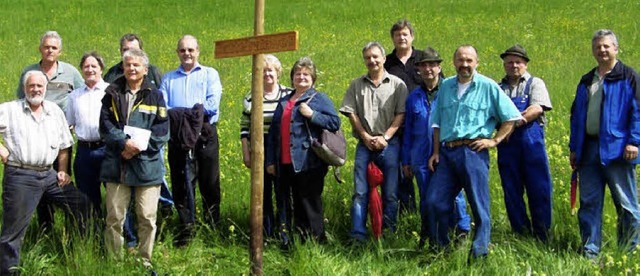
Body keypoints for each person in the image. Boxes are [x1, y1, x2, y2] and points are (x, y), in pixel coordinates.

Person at [425, 45, 521, 259]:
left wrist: (494, 140)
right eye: (460, 60)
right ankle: (441, 250)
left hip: (473, 152)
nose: (464, 65)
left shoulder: (488, 86)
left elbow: (511, 117)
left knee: (479, 205)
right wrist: (435, 152)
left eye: (469, 60)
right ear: (453, 63)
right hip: (447, 153)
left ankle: (479, 253)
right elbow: (437, 123)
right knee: (434, 201)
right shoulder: (446, 87)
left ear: (476, 62)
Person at [0, 71, 89, 275]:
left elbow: (65, 145)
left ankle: (78, 252)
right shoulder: (10, 110)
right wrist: (1, 149)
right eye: (31, 86)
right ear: (24, 88)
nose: (36, 89)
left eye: (40, 86)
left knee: (82, 205)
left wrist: (63, 171)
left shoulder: (54, 111)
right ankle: (8, 271)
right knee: (13, 231)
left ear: (45, 88)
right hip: (21, 176)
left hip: (49, 175)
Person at [569, 29, 640, 259]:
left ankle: (628, 252)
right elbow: (576, 115)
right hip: (588, 150)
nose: (602, 50)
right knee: (589, 203)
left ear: (616, 49)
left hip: (618, 150)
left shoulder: (628, 76)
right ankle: (590, 251)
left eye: (606, 46)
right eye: (598, 47)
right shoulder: (586, 79)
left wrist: (634, 142)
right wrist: (573, 148)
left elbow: (638, 112)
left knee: (626, 205)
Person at [104, 33, 173, 251]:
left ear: (145, 69)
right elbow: (105, 126)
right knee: (114, 217)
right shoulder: (111, 93)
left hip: (147, 165)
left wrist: (136, 149)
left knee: (146, 216)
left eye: (136, 65)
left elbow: (162, 131)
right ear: (122, 67)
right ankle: (114, 261)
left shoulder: (156, 96)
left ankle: (145, 258)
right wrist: (124, 144)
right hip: (117, 164)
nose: (131, 68)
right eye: (127, 65)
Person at [266, 56, 341, 242]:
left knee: (309, 203)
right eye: (298, 74)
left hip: (309, 162)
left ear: (313, 78)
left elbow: (334, 122)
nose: (301, 77)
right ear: (292, 78)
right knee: (290, 204)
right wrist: (269, 161)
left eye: (306, 74)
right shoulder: (284, 101)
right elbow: (274, 133)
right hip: (283, 161)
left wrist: (313, 115)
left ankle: (316, 243)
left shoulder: (318, 98)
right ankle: (296, 241)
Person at [16, 30, 84, 234]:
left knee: (62, 181)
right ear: (40, 49)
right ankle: (46, 227)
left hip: (61, 140)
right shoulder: (30, 72)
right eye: (46, 46)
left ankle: (71, 228)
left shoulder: (71, 72)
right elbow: (20, 102)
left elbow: (82, 96)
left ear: (60, 51)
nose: (50, 50)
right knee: (39, 186)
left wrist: (75, 122)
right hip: (35, 140)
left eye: (54, 47)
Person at [401, 47, 470, 247]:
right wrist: (406, 160)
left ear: (439, 67)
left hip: (447, 152)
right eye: (424, 66)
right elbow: (408, 131)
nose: (428, 69)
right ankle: (431, 233)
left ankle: (461, 231)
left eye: (432, 65)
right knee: (427, 196)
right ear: (418, 70)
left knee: (455, 195)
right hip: (420, 155)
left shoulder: (451, 90)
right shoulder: (414, 96)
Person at [340, 42, 408, 242]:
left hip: (390, 144)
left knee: (391, 193)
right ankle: (358, 234)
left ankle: (388, 233)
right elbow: (351, 113)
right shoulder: (356, 85)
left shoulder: (397, 85)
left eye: (375, 57)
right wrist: (366, 137)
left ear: (384, 58)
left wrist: (385, 137)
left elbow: (401, 114)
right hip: (364, 144)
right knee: (359, 192)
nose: (372, 61)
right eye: (368, 58)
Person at [160, 35, 223, 247]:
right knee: (181, 183)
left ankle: (213, 229)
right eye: (182, 50)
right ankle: (187, 229)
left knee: (209, 182)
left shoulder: (210, 74)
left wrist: (183, 114)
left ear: (198, 51)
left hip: (204, 134)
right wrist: (192, 112)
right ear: (177, 52)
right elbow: (163, 108)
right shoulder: (168, 79)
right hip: (178, 136)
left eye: (190, 50)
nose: (187, 54)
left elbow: (213, 104)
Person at [497, 44, 553, 241]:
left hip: (531, 146)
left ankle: (543, 235)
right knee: (511, 191)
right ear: (504, 64)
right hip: (507, 148)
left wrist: (511, 124)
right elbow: (493, 114)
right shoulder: (498, 88)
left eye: (518, 62)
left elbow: (536, 109)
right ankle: (521, 234)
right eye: (509, 62)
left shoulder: (535, 83)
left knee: (539, 189)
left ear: (526, 64)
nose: (513, 65)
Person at [240, 54, 292, 241]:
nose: (267, 74)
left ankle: (284, 233)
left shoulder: (288, 94)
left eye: (270, 70)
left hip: (281, 149)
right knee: (262, 193)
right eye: (262, 70)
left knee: (283, 192)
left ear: (278, 73)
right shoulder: (251, 97)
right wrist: (246, 153)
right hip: (258, 147)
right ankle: (266, 233)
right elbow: (244, 128)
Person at [384, 19, 424, 213]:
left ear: (412, 36)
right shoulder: (387, 63)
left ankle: (433, 216)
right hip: (398, 127)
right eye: (397, 35)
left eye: (405, 34)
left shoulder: (424, 59)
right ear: (392, 38)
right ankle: (409, 215)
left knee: (429, 172)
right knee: (402, 174)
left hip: (423, 127)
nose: (401, 37)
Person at [67, 52, 109, 219]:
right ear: (81, 70)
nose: (90, 69)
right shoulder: (74, 96)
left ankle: (126, 239)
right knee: (87, 198)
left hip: (107, 149)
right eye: (86, 66)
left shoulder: (111, 91)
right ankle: (93, 236)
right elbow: (69, 123)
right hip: (84, 151)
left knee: (115, 197)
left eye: (94, 66)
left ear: (101, 69)